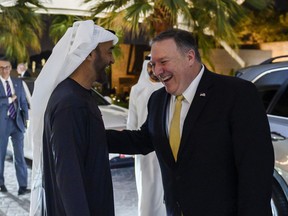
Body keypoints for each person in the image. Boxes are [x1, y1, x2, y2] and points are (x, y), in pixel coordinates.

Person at [107, 29, 274, 216]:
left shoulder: (236, 94)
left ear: (189, 57)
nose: (157, 71)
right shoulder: (158, 99)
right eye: (153, 64)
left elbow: (256, 170)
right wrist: (89, 132)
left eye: (163, 62)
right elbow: (144, 140)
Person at [29, 20, 118, 216]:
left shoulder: (79, 95)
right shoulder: (70, 103)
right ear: (89, 54)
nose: (112, 60)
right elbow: (69, 179)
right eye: (109, 52)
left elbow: (89, 140)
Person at [127, 55, 166, 216]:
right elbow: (132, 119)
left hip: (163, 145)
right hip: (143, 148)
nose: (152, 71)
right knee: (146, 187)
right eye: (150, 67)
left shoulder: (165, 89)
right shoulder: (137, 90)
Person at [0, 56, 30, 195]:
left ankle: (23, 186)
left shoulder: (17, 82)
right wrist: (9, 99)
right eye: (1, 68)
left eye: (6, 67)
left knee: (19, 156)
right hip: (2, 124)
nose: (4, 70)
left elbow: (23, 101)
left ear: (10, 68)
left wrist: (26, 120)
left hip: (16, 123)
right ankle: (1, 184)